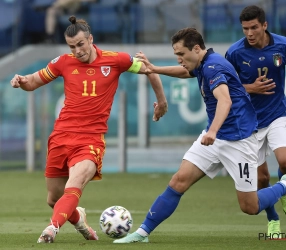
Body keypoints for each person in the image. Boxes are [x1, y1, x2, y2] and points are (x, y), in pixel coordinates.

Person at [112, 27, 286, 244]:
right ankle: (143, 232)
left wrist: (212, 130)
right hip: (215, 138)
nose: (179, 59)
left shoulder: (213, 67)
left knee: (250, 207)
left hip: (239, 141)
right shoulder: (202, 63)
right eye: (177, 55)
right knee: (178, 181)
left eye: (181, 54)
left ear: (197, 48)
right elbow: (185, 72)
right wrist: (154, 68)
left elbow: (225, 100)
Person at [10, 15, 168, 243]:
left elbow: (149, 69)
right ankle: (80, 220)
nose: (77, 50)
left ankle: (51, 229)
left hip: (90, 139)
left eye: (81, 44)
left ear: (90, 39)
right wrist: (22, 81)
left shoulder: (116, 60)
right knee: (54, 199)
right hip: (61, 136)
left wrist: (161, 102)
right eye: (72, 46)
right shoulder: (63, 62)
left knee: (73, 186)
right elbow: (33, 81)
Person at [225, 5, 286, 237]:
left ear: (264, 25)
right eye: (245, 28)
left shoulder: (284, 45)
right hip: (248, 124)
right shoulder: (235, 52)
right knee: (262, 179)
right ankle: (273, 219)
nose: (249, 32)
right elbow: (225, 86)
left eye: (254, 27)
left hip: (277, 115)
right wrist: (251, 88)